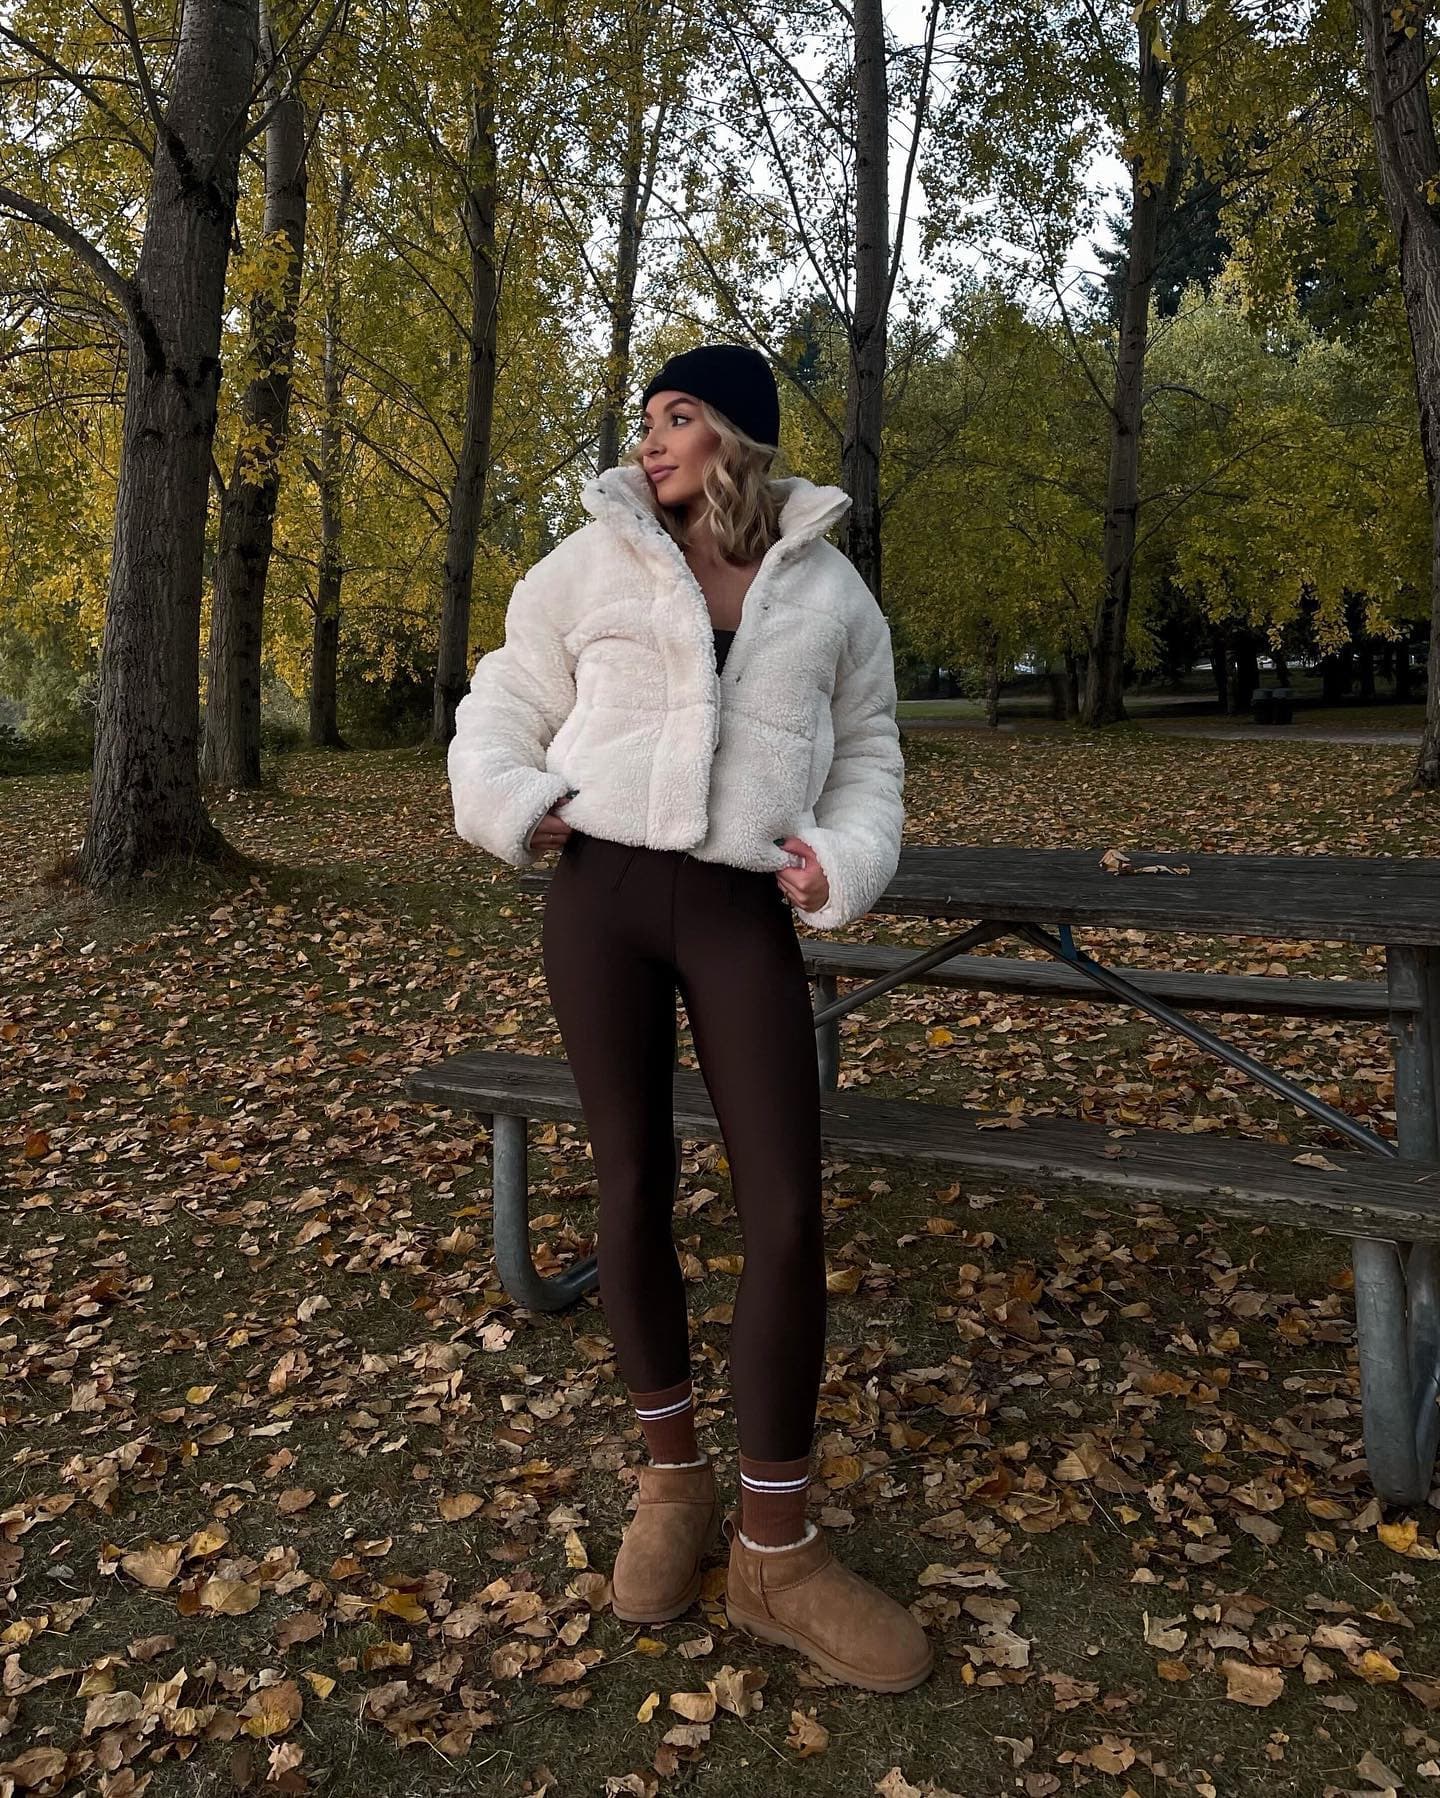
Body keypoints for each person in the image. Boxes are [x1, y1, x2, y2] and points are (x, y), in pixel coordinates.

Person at [447, 342, 927, 1693]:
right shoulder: (589, 563)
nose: (650, 442)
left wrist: (844, 855)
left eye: (678, 419)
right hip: (598, 897)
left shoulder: (826, 587)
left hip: (735, 911)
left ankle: (778, 1546)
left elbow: (876, 746)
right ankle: (674, 1485)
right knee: (631, 1182)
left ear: (736, 436)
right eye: (647, 421)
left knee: (784, 1203)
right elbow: (502, 702)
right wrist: (516, 802)